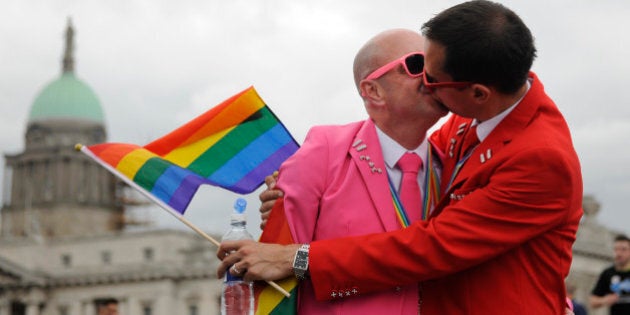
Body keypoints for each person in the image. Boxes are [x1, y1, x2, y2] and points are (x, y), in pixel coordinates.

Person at [218, 1, 583, 314]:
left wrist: (295, 257)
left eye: (433, 76)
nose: (427, 81)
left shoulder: (541, 158)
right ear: (371, 89)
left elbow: (432, 245)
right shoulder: (469, 120)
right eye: (415, 65)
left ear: (477, 94)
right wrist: (291, 195)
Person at [255, 29, 445, 314]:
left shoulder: (455, 163)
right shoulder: (325, 151)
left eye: (436, 66)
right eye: (417, 65)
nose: (432, 76)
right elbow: (277, 269)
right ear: (373, 91)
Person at [590, 234, 630, 314]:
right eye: (616, 249)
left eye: (623, 249)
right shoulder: (608, 273)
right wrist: (605, 300)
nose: (619, 253)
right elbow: (593, 301)